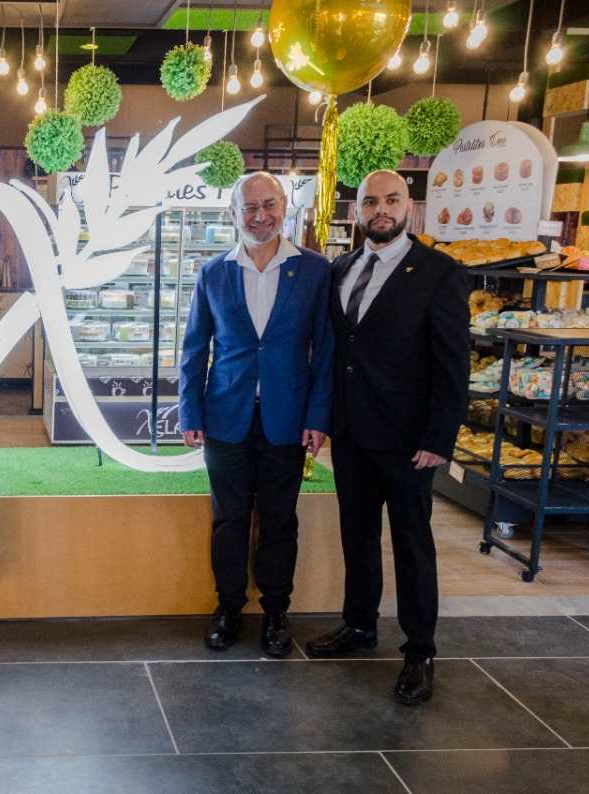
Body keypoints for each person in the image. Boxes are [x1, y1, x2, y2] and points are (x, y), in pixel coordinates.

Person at [305, 169, 469, 707]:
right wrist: (325, 419)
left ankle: (420, 651)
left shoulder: (440, 272)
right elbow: (339, 353)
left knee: (412, 545)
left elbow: (453, 364)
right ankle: (359, 624)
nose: (381, 209)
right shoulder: (342, 268)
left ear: (409, 208)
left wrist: (439, 436)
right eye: (370, 201)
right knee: (357, 536)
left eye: (391, 200)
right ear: (357, 211)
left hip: (408, 441)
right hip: (351, 433)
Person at [179, 171, 334, 657]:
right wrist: (189, 411)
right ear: (234, 214)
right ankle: (228, 608)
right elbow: (193, 348)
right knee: (228, 521)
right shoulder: (213, 272)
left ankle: (275, 613)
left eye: (269, 205)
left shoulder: (314, 271)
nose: (260, 215)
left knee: (279, 521)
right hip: (225, 417)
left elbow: (325, 351)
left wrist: (318, 416)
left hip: (287, 420)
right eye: (249, 207)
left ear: (284, 207)